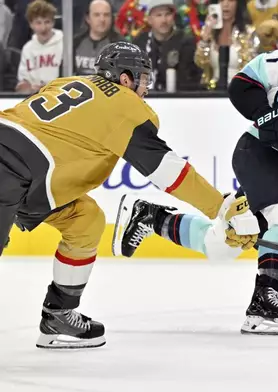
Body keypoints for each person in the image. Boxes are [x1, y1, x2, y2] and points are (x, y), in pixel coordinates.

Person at [112, 24, 278, 336]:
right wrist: (267, 116)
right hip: (259, 150)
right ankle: (263, 304)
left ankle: (150, 217)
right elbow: (243, 85)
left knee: (223, 244)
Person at [0, 41, 259, 349]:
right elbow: (170, 173)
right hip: (11, 169)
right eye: (143, 78)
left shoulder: (69, 82)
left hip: (23, 171)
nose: (146, 87)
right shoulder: (125, 106)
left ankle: (59, 315)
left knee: (85, 220)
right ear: (125, 79)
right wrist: (221, 207)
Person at [15, 0, 63, 94]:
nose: (43, 28)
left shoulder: (64, 44)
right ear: (31, 24)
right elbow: (23, 83)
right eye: (38, 23)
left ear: (53, 22)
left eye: (47, 22)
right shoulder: (27, 49)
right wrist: (28, 87)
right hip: (34, 98)